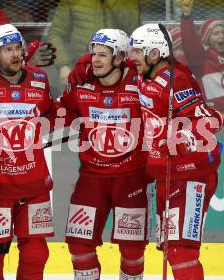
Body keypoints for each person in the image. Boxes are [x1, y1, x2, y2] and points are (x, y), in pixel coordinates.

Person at [129, 23, 223, 280]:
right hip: (166, 176)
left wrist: (184, 136)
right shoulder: (143, 74)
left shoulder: (177, 79)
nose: (132, 57)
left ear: (154, 53)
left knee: (182, 252)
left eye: (137, 51)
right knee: (171, 248)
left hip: (192, 177)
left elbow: (210, 121)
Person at [57, 29, 154, 280]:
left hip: (131, 178)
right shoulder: (82, 84)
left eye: (103, 55)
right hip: (91, 178)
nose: (95, 60)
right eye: (93, 54)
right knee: (78, 243)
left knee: (132, 249)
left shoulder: (139, 84)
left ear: (120, 58)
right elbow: (58, 116)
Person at [0, 24, 54, 280]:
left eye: (18, 48)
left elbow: (50, 115)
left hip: (34, 184)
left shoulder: (39, 79)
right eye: (8, 49)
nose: (16, 54)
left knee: (36, 255)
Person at [48, 0, 139, 86]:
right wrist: (63, 65)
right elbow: (55, 33)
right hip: (81, 70)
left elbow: (135, 28)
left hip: (119, 72)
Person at [180, 0, 224, 113]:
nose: (221, 36)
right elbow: (190, 43)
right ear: (207, 39)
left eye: (223, 32)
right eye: (216, 33)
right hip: (212, 120)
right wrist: (186, 17)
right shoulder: (202, 62)